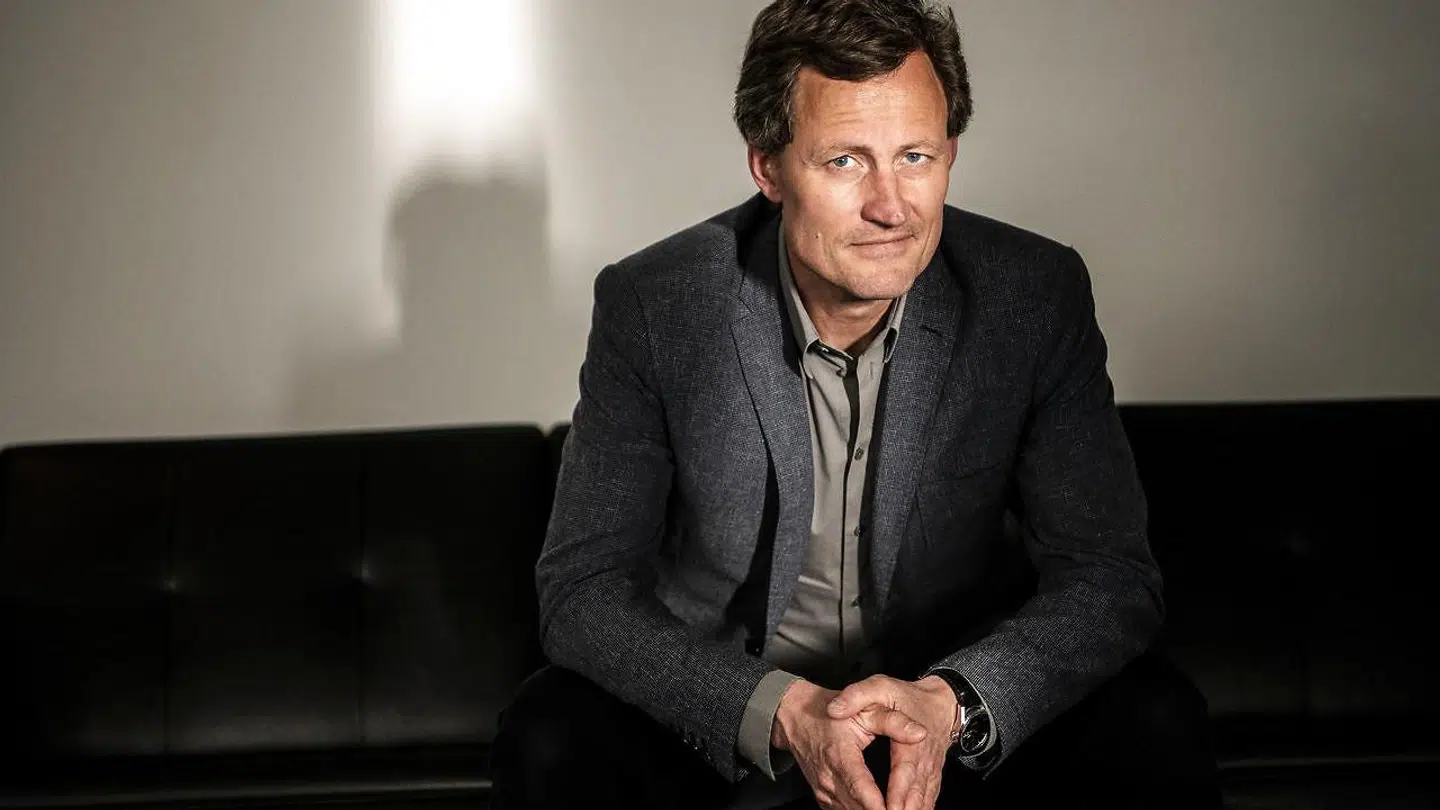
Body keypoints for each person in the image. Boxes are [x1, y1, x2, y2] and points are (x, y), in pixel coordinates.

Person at [492, 1, 1220, 808]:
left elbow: (1111, 576)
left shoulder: (1031, 297)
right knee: (549, 731)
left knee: (1156, 720)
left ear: (950, 152)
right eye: (844, 161)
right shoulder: (660, 304)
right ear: (768, 168)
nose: (891, 206)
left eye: (915, 156)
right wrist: (781, 711)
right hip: (734, 727)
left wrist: (950, 704)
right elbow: (583, 591)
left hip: (946, 718)